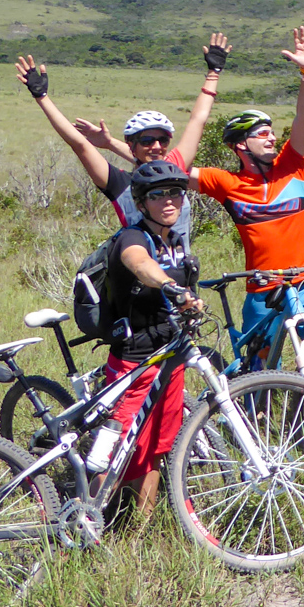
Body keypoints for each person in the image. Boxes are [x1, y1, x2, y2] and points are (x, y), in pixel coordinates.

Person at [192, 27, 304, 345]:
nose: (272, 137)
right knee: (257, 371)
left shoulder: (292, 166)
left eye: (272, 132)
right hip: (262, 292)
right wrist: (118, 146)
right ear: (240, 146)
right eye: (262, 134)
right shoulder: (227, 183)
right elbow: (169, 169)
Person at [14, 34, 231, 235]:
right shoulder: (119, 183)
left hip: (181, 272)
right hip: (136, 271)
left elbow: (198, 120)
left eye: (163, 140)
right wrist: (42, 97)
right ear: (131, 144)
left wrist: (214, 72)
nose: (156, 146)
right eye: (147, 141)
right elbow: (79, 144)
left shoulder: (175, 167)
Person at [97, 160, 205, 515]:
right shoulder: (132, 237)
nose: (169, 201)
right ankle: (91, 521)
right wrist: (169, 285)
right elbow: (139, 263)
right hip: (135, 359)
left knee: (158, 445)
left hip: (170, 358)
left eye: (176, 193)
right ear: (142, 203)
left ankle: (140, 528)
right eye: (158, 195)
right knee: (112, 449)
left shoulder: (176, 241)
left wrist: (191, 301)